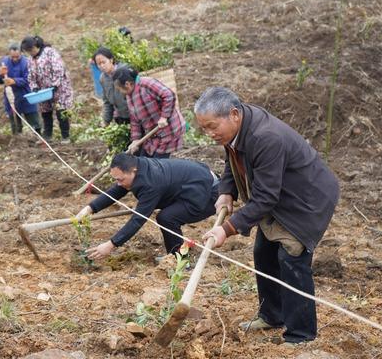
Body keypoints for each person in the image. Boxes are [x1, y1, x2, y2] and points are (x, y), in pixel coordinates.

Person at [194, 87, 340, 346]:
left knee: (291, 259)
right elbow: (232, 158)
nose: (209, 134)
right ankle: (272, 315)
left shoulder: (265, 137)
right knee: (264, 253)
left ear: (234, 114)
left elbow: (265, 199)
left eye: (212, 126)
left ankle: (301, 335)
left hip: (306, 200)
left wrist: (225, 229)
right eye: (204, 128)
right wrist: (226, 191)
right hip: (280, 196)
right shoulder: (236, 131)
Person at [76, 153, 219, 260]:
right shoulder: (138, 166)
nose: (118, 183)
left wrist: (111, 244)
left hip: (208, 194)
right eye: (116, 179)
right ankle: (176, 256)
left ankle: (179, 259)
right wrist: (90, 208)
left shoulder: (150, 183)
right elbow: (117, 190)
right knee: (166, 215)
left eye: (120, 179)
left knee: (166, 218)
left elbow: (138, 219)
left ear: (133, 170)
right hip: (192, 185)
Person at [112, 66, 185, 159]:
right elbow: (135, 120)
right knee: (143, 161)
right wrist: (135, 140)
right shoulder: (129, 95)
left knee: (156, 166)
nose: (120, 92)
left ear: (127, 84)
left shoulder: (147, 84)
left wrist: (164, 117)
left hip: (169, 131)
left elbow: (169, 96)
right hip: (154, 135)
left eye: (119, 89)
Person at [21, 35, 74, 143]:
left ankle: (65, 136)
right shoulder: (30, 60)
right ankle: (48, 135)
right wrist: (34, 86)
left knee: (61, 111)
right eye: (28, 51)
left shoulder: (50, 52)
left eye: (31, 50)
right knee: (45, 112)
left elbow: (58, 68)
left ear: (36, 46)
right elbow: (30, 75)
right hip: (43, 91)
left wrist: (54, 84)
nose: (30, 53)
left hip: (59, 88)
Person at [0, 43, 41, 135]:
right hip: (12, 97)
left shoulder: (27, 62)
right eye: (13, 57)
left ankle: (39, 137)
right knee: (15, 124)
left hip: (26, 95)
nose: (15, 59)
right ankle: (17, 140)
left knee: (34, 121)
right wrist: (0, 74)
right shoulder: (4, 62)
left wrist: (14, 81)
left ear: (21, 53)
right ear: (9, 54)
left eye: (17, 57)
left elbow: (29, 79)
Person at [92, 47, 130, 127]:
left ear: (111, 60)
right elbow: (107, 102)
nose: (102, 66)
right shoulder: (103, 79)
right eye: (99, 64)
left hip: (135, 115)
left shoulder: (124, 72)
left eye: (104, 62)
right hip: (121, 118)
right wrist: (106, 121)